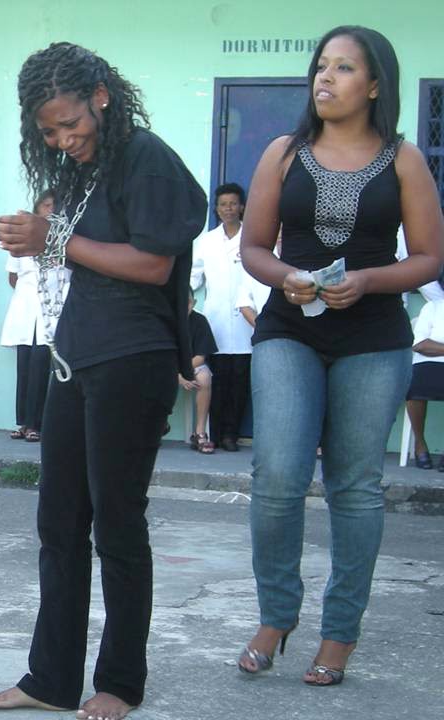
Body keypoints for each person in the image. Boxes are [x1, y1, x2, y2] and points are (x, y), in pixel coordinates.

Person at [0, 42, 206, 719]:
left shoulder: (145, 157)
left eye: (70, 123)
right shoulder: (80, 171)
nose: (62, 139)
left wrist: (51, 238)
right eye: (48, 131)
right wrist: (40, 236)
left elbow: (153, 264)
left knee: (117, 524)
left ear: (101, 97)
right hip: (76, 359)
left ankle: (120, 683)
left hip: (133, 360)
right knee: (58, 524)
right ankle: (50, 679)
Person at [239, 26, 444, 686]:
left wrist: (369, 280)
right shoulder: (283, 153)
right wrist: (286, 277)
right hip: (289, 330)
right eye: (321, 66)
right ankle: (277, 615)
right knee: (277, 475)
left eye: (344, 68)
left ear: (375, 85)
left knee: (355, 486)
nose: (325, 78)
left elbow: (429, 258)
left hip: (374, 339)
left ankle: (339, 632)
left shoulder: (404, 160)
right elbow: (254, 248)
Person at [0, 189, 68, 443]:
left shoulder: (65, 237)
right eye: (45, 205)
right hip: (26, 307)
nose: (50, 210)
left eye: (54, 205)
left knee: (42, 364)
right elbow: (13, 276)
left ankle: (36, 424)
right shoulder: (23, 238)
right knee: (24, 366)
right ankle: (23, 422)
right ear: (37, 208)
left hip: (51, 309)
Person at [191, 182, 252, 451]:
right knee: (218, 380)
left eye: (233, 204)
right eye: (223, 204)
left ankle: (231, 435)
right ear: (216, 209)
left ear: (242, 207)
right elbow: (193, 277)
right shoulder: (207, 242)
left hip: (246, 321)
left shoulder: (253, 238)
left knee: (240, 382)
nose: (228, 209)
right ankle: (214, 433)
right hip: (216, 320)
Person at [404, 279, 444, 469]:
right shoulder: (433, 307)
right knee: (415, 386)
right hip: (428, 362)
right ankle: (420, 444)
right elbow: (420, 344)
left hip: (434, 356)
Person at [181, 292, 218, 453]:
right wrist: (178, 376)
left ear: (194, 302)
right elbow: (163, 356)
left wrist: (184, 372)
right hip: (169, 366)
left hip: (191, 365)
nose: (185, 306)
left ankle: (200, 432)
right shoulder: (166, 321)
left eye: (188, 302)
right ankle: (159, 425)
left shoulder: (200, 321)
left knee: (204, 378)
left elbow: (200, 357)